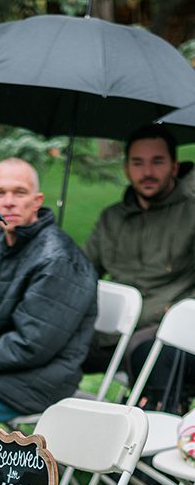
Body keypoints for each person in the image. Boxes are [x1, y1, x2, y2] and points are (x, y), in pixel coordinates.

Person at [0, 158, 96, 485]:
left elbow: (31, 346)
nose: (9, 201)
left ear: (36, 201)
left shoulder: (57, 259)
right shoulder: (1, 248)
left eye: (19, 192)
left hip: (39, 379)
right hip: (2, 371)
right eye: (0, 192)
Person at [85, 123, 195, 403]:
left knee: (147, 351)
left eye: (157, 162)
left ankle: (151, 433)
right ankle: (48, 430)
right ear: (126, 168)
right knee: (54, 344)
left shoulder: (191, 212)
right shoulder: (113, 219)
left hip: (164, 332)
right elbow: (84, 274)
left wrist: (180, 314)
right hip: (111, 334)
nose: (147, 172)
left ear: (174, 166)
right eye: (138, 162)